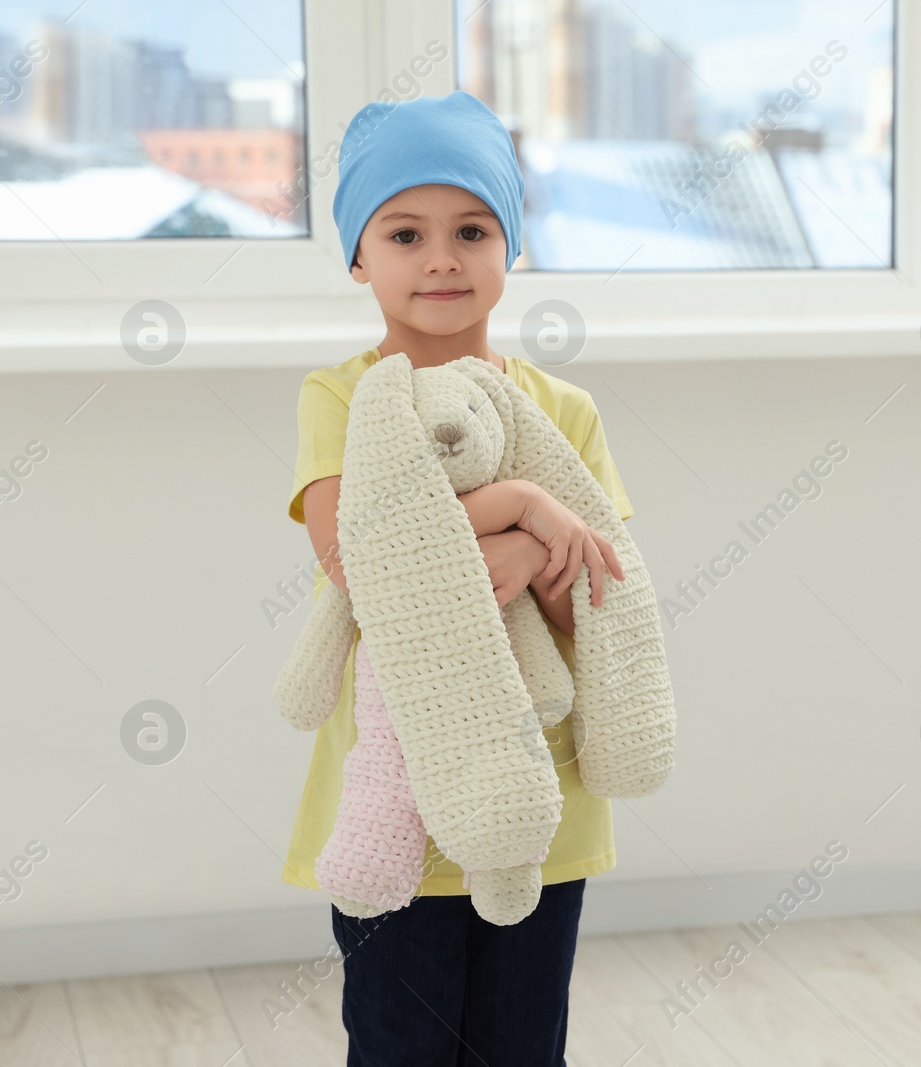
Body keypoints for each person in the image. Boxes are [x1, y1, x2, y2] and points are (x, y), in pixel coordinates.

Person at [283, 90, 634, 1067]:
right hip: (389, 806)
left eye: (472, 228)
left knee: (522, 1045)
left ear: (508, 247)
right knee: (399, 1045)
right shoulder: (343, 398)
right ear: (358, 257)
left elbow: (600, 602)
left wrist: (528, 553)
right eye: (404, 231)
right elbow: (362, 554)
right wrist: (524, 503)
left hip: (537, 801)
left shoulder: (564, 407)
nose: (441, 256)